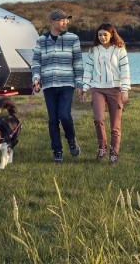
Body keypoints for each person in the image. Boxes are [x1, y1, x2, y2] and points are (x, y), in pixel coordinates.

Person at [31, 9, 84, 163]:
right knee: (53, 119)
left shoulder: (73, 38)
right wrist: (36, 78)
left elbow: (78, 63)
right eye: (61, 20)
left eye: (66, 20)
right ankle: (57, 151)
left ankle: (71, 140)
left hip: (67, 83)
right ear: (52, 22)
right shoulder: (42, 40)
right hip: (49, 85)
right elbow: (36, 62)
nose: (65, 22)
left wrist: (79, 83)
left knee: (64, 115)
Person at [82, 23, 131, 165]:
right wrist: (85, 88)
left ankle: (114, 153)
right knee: (98, 119)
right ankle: (102, 147)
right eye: (100, 35)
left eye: (105, 35)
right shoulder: (93, 51)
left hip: (115, 89)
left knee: (115, 126)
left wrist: (125, 90)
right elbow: (88, 70)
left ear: (111, 35)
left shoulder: (119, 50)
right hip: (97, 89)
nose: (102, 37)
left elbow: (125, 71)